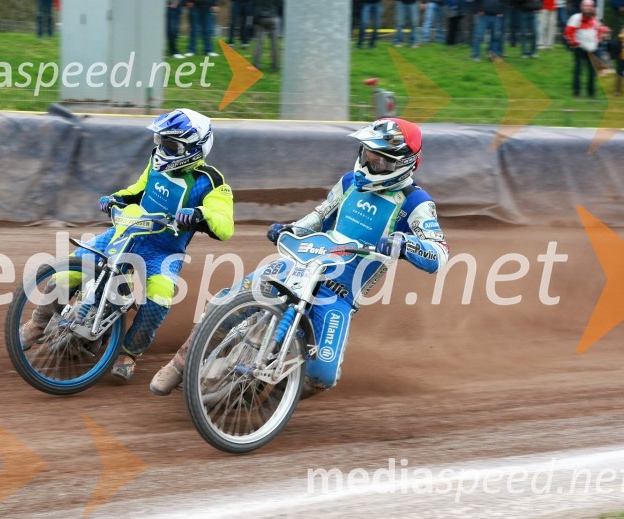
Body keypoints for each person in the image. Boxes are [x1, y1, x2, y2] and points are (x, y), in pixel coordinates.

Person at [149, 118, 450, 397]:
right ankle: (178, 364)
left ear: (404, 163)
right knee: (227, 301)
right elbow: (320, 216)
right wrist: (292, 228)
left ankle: (272, 401)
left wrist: (405, 244)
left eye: (381, 158)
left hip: (339, 292)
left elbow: (439, 252)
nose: (371, 161)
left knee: (323, 375)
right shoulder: (349, 183)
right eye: (368, 153)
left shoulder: (416, 203)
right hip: (303, 263)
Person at [19, 109, 235, 383]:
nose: (161, 148)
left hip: (163, 251)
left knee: (159, 300)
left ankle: (129, 354)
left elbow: (225, 223)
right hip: (125, 232)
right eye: (160, 140)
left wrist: (201, 215)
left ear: (192, 147)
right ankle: (37, 323)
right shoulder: (156, 163)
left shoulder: (211, 182)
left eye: (169, 144)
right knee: (67, 272)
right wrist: (115, 199)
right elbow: (137, 190)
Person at [564, 0, 606, 97]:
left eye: (589, 6)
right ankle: (576, 92)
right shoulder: (575, 18)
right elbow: (568, 32)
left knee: (592, 72)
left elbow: (599, 31)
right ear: (581, 7)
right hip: (580, 48)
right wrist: (575, 44)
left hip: (594, 49)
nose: (587, 7)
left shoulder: (596, 19)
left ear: (593, 7)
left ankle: (591, 92)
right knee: (578, 70)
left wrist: (598, 42)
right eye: (585, 5)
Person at [251, 0, 281, 71]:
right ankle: (275, 65)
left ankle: (256, 64)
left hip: (261, 17)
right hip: (272, 16)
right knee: (274, 44)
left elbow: (254, 4)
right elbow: (279, 3)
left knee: (259, 43)